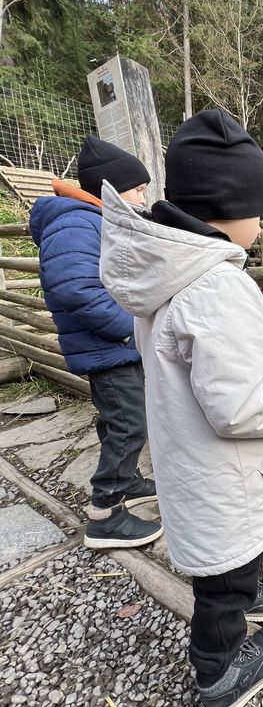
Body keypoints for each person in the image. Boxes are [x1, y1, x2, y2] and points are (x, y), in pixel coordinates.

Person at [99, 109, 263, 707]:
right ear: (230, 208)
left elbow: (197, 360)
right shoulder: (218, 286)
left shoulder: (171, 275)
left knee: (233, 555)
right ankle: (218, 671)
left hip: (194, 465)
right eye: (259, 211)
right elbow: (236, 404)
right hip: (223, 472)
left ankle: (248, 592)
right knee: (220, 579)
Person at [29, 138, 163, 551]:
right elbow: (76, 290)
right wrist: (129, 329)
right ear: (110, 188)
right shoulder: (77, 222)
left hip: (111, 344)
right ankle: (105, 515)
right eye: (137, 189)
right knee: (129, 423)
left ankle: (130, 482)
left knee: (119, 418)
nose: (143, 196)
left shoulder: (92, 219)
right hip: (108, 345)